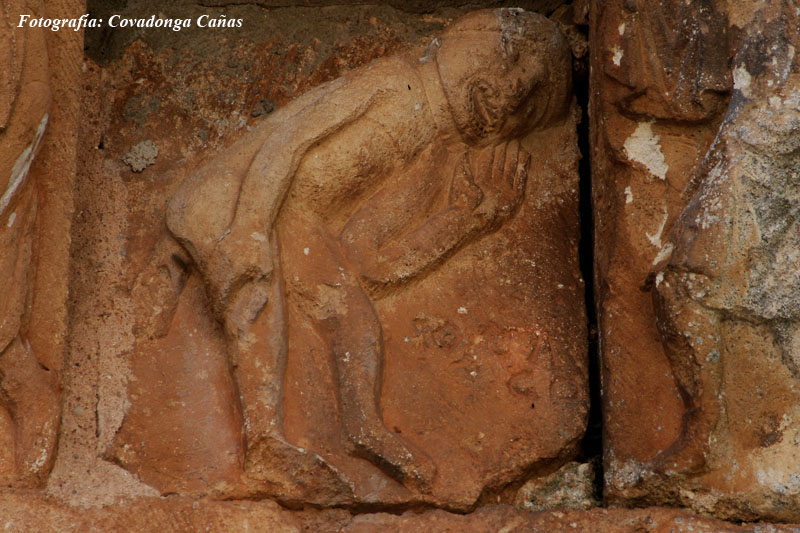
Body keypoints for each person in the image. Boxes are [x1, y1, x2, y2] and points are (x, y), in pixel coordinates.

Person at [143, 8, 571, 492]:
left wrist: (468, 221)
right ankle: (263, 443)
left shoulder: (432, 156)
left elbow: (369, 260)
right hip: (240, 195)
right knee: (258, 292)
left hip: (301, 224)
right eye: (508, 56)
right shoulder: (395, 81)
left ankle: (363, 429)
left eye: (530, 97)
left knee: (357, 320)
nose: (514, 89)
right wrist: (250, 226)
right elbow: (291, 138)